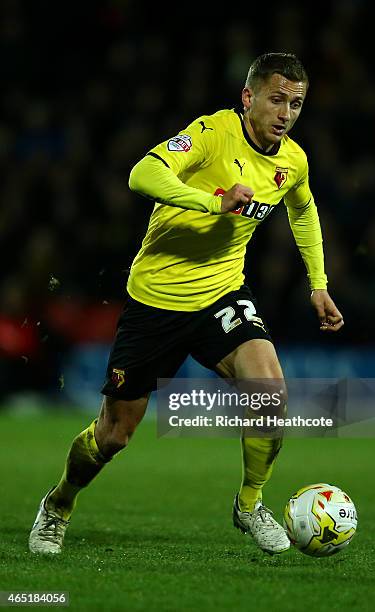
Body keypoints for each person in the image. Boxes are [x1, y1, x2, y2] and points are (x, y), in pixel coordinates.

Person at [29, 52, 344, 555]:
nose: (286, 113)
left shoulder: (293, 160)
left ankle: (249, 503)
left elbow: (302, 208)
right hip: (156, 300)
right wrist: (211, 202)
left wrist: (318, 282)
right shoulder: (213, 133)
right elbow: (142, 175)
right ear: (249, 98)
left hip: (222, 292)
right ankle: (59, 503)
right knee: (113, 436)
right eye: (277, 99)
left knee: (268, 393)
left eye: (296, 104)